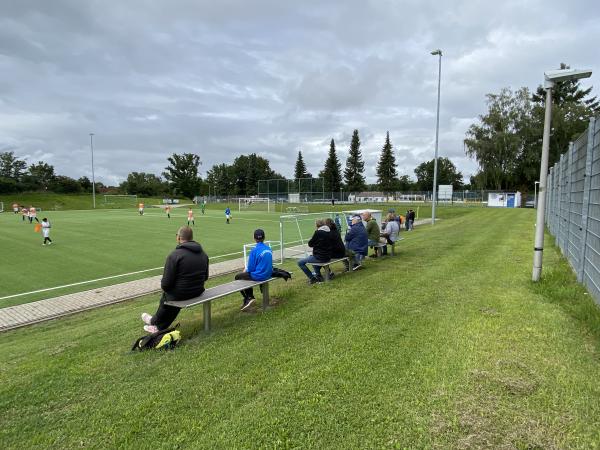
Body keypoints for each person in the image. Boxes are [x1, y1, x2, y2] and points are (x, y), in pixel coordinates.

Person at [141, 226, 209, 332]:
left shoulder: (174, 255)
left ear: (178, 238)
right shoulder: (203, 254)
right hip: (198, 291)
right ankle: (157, 325)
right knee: (174, 296)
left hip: (182, 294)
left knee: (168, 296)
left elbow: (166, 284)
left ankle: (155, 322)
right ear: (191, 238)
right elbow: (205, 277)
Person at [234, 229, 273, 311]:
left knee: (238, 277)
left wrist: (245, 270)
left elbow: (251, 269)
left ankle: (249, 297)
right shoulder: (268, 248)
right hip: (269, 274)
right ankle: (256, 293)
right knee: (246, 275)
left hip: (260, 276)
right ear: (264, 237)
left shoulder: (254, 250)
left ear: (254, 238)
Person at [297, 219, 332, 284]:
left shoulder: (318, 232)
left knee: (300, 262)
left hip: (321, 257)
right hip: (328, 256)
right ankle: (319, 276)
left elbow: (310, 244)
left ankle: (312, 278)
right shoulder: (329, 231)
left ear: (317, 225)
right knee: (312, 257)